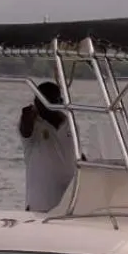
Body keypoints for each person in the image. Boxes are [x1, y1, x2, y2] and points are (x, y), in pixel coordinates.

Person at [18, 81, 78, 212]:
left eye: (55, 100)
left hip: (68, 204)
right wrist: (26, 117)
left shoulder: (69, 123)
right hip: (40, 206)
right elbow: (25, 130)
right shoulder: (33, 124)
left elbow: (75, 153)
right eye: (43, 100)